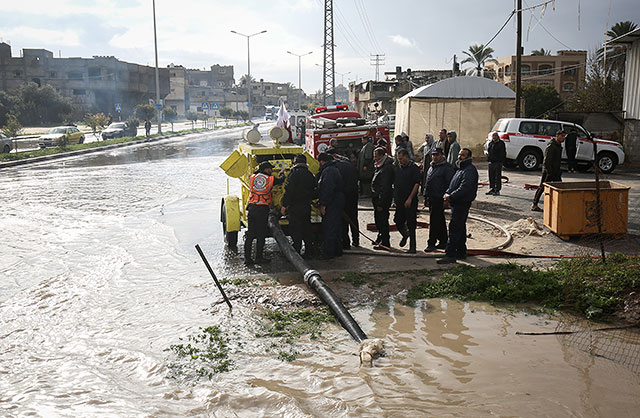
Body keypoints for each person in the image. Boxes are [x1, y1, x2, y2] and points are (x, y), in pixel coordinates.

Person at [438, 148, 478, 264]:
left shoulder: (469, 170)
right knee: (460, 228)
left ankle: (450, 255)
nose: (460, 157)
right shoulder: (461, 169)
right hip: (456, 202)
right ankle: (461, 252)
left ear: (469, 157)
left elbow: (465, 188)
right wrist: (447, 193)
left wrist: (451, 196)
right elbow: (453, 184)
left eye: (463, 155)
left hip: (462, 203)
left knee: (454, 228)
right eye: (460, 155)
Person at [244, 161, 285, 265]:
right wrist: (282, 172)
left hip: (252, 207)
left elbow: (254, 173)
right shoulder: (270, 179)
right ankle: (258, 258)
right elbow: (281, 180)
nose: (271, 171)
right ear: (266, 169)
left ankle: (247, 259)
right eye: (270, 169)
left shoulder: (252, 177)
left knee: (250, 234)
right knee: (261, 234)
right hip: (262, 209)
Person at [281, 154, 317, 256]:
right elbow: (314, 189)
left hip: (295, 207)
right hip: (306, 206)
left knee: (296, 229)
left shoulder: (294, 174)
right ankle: (309, 251)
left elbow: (289, 191)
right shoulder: (310, 174)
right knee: (306, 228)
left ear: (295, 163)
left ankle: (296, 251)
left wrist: (284, 205)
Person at [423, 147, 455, 252]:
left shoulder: (447, 168)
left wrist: (446, 199)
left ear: (442, 155)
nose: (434, 157)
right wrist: (425, 196)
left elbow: (450, 184)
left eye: (437, 155)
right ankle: (443, 241)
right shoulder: (431, 167)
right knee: (440, 220)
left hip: (439, 199)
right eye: (433, 155)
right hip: (431, 198)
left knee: (434, 222)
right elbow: (427, 183)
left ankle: (431, 243)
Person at [317, 152, 345, 259]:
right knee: (336, 227)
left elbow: (328, 189)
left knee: (330, 227)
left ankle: (329, 253)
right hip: (337, 201)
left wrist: (323, 204)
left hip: (332, 202)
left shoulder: (328, 171)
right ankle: (337, 251)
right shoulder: (334, 169)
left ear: (321, 161)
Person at [393, 148, 422, 253]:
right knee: (398, 220)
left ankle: (412, 247)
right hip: (400, 200)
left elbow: (416, 184)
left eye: (401, 159)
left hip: (410, 200)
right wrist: (395, 199)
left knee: (411, 223)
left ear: (406, 156)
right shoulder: (398, 168)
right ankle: (405, 234)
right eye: (398, 159)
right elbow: (396, 184)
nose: (400, 161)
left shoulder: (414, 168)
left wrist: (410, 198)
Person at [531, 130, 566, 212]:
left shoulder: (558, 146)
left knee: (559, 187)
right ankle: (534, 204)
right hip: (548, 172)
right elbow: (547, 161)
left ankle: (559, 206)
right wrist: (549, 171)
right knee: (542, 187)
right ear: (557, 136)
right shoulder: (551, 146)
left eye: (564, 136)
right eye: (562, 136)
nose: (563, 138)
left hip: (556, 171)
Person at [333, 152, 360, 248]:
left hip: (344, 195)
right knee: (353, 218)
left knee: (344, 220)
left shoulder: (336, 167)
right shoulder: (350, 165)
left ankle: (346, 243)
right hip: (354, 194)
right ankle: (356, 240)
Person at [371, 147, 395, 250]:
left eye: (376, 156)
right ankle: (380, 239)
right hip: (378, 199)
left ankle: (385, 242)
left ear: (381, 156)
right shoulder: (380, 166)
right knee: (379, 220)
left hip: (382, 200)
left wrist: (381, 203)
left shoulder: (386, 168)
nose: (374, 158)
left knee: (382, 221)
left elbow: (385, 187)